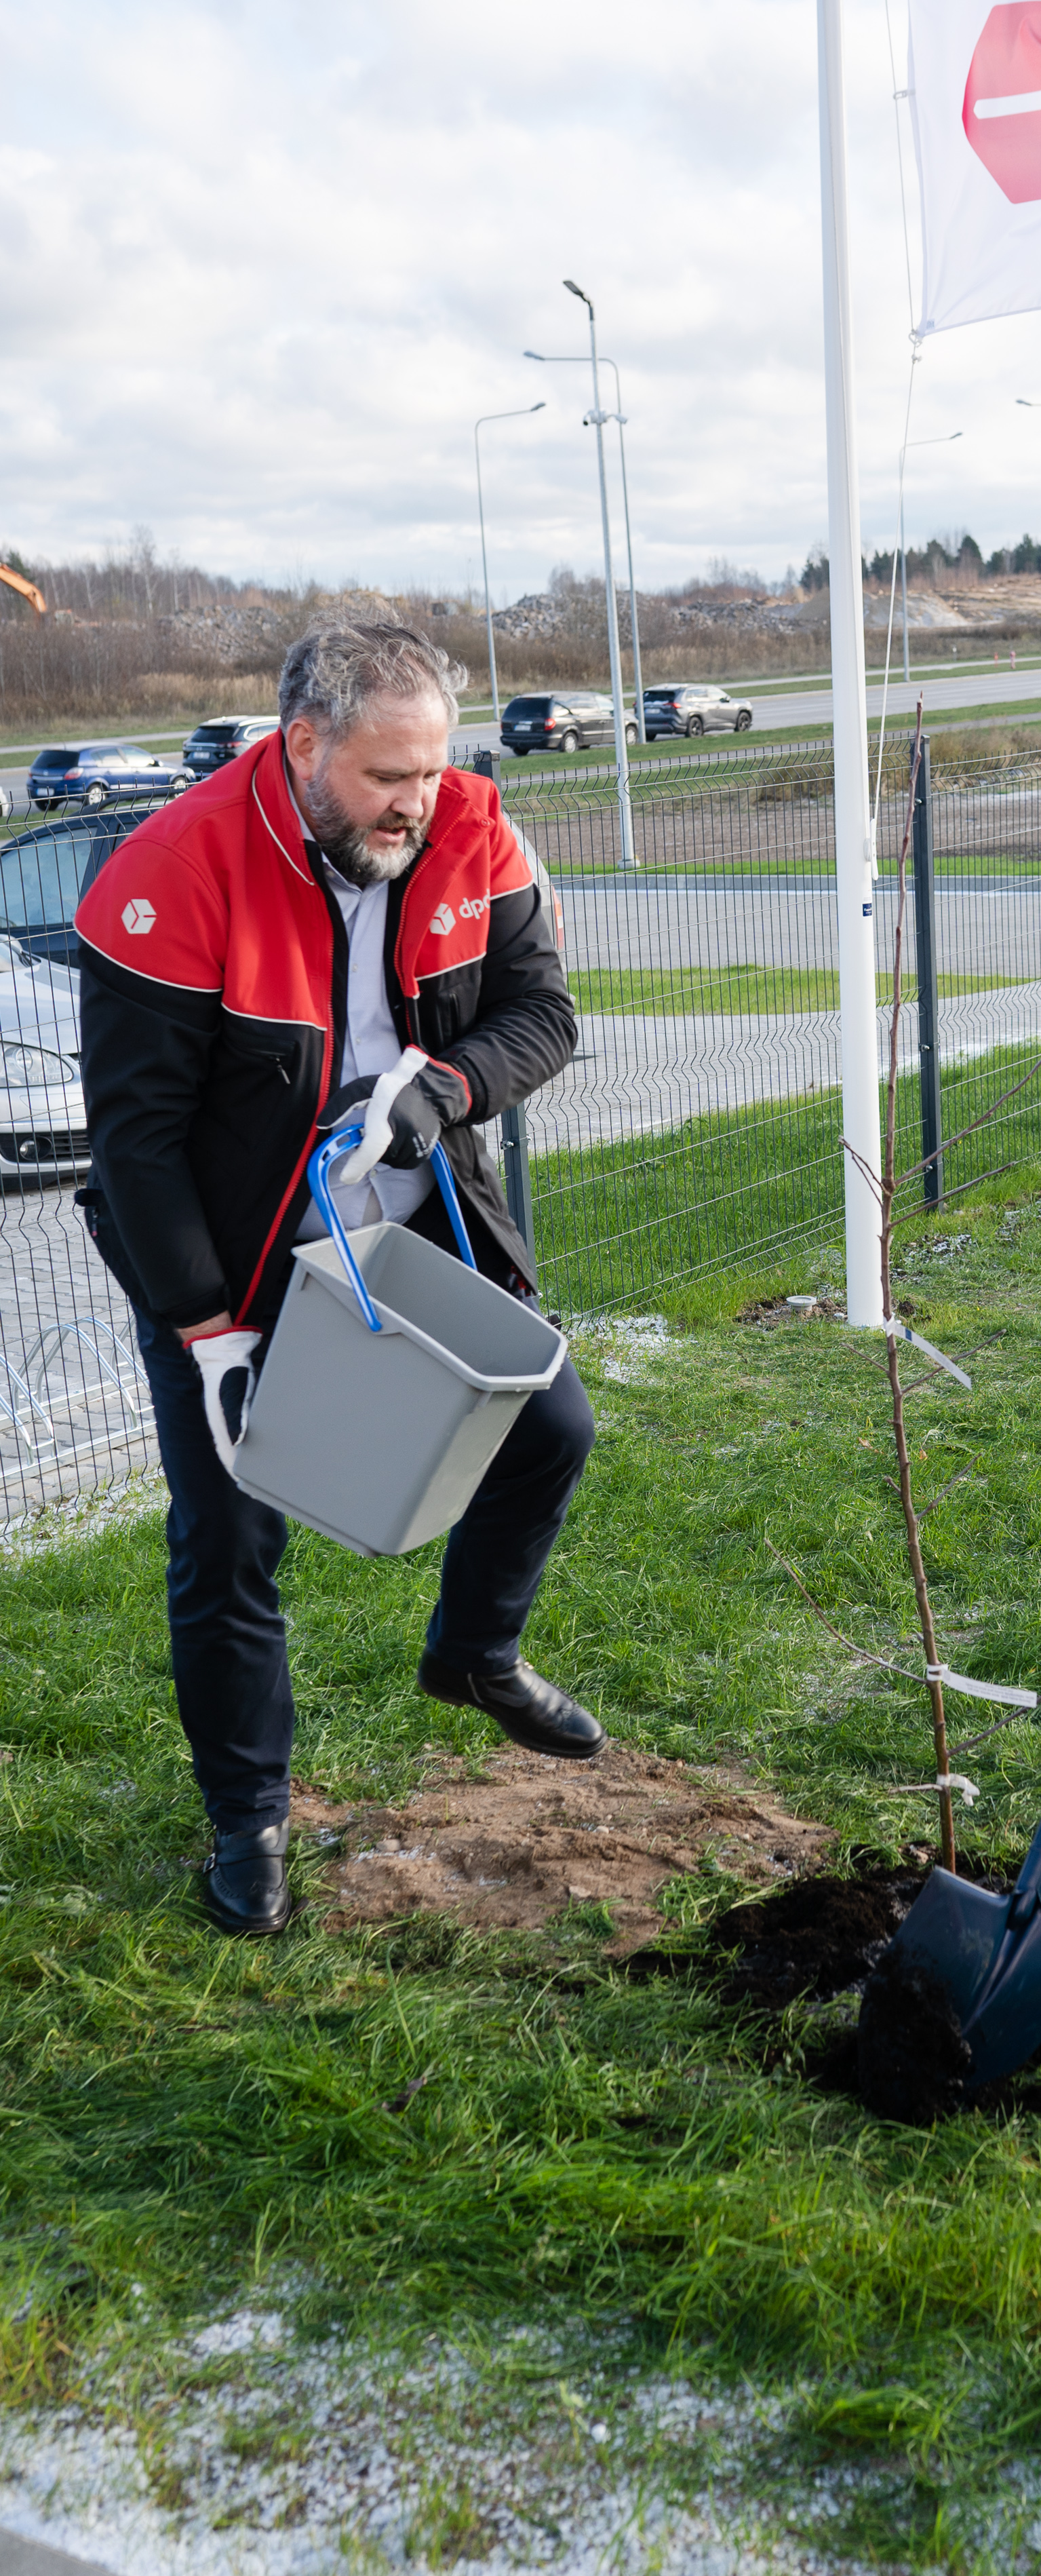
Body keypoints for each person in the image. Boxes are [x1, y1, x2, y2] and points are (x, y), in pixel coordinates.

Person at [76, 619, 601, 1940]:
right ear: (304, 744)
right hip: (225, 1254)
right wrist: (207, 1333)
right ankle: (248, 1818)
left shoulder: (473, 831)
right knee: (231, 1537)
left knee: (548, 1424)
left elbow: (544, 1011)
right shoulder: (173, 871)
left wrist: (450, 1086)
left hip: (410, 1215)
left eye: (430, 773)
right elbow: (135, 1143)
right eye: (386, 777)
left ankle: (474, 1652)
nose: (416, 805)